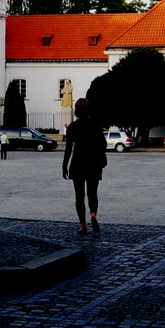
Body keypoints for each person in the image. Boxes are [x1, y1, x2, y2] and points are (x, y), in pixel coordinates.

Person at [62, 97, 107, 235]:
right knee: (92, 193)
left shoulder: (72, 127)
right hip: (94, 163)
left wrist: (65, 165)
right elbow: (103, 144)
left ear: (76, 111)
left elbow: (68, 148)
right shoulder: (96, 125)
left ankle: (83, 225)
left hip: (78, 163)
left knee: (79, 196)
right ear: (89, 110)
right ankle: (93, 214)